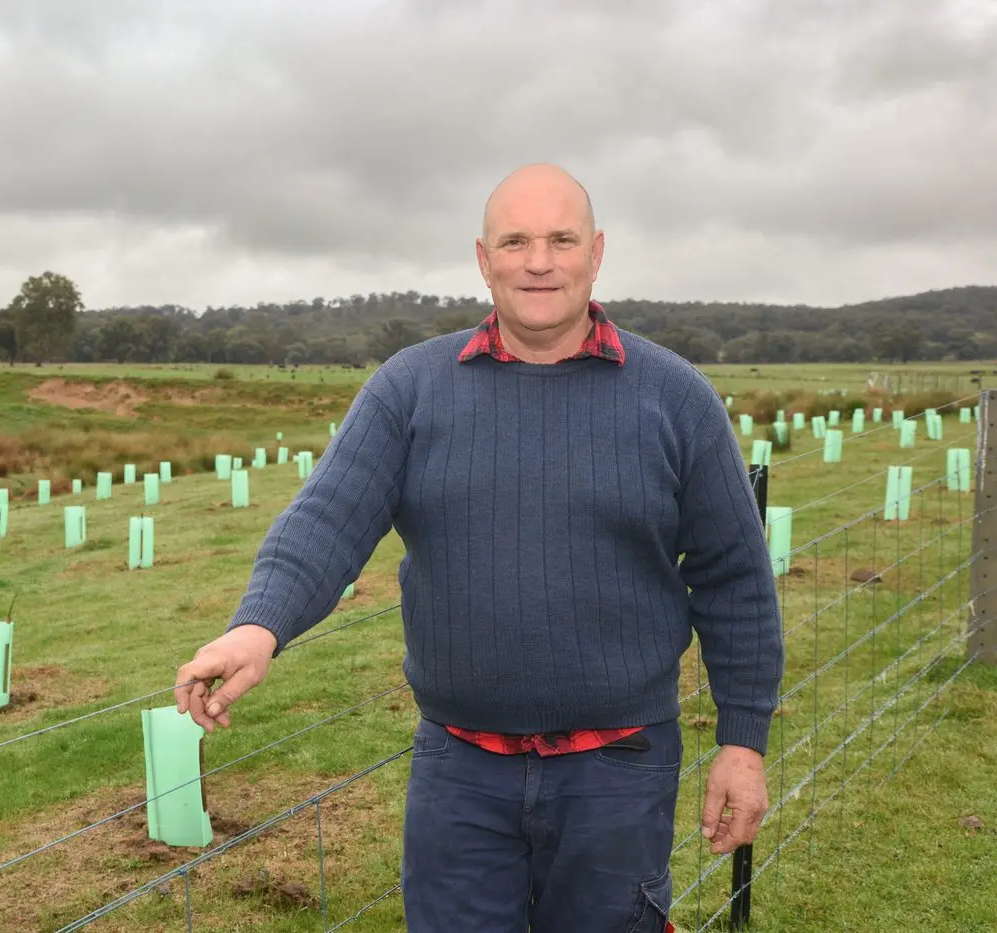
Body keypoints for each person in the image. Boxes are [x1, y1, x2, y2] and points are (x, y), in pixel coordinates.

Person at [174, 163, 784, 932]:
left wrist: (743, 740)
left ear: (596, 253)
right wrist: (256, 627)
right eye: (516, 240)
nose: (539, 260)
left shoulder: (675, 398)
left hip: (620, 769)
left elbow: (735, 578)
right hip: (460, 771)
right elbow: (327, 520)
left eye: (561, 239)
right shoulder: (411, 389)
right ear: (482, 257)